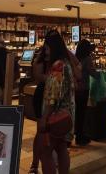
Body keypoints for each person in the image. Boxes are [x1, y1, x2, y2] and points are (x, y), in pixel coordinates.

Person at [35, 30, 74, 174]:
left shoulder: (57, 66)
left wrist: (45, 117)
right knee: (62, 148)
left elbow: (53, 95)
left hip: (55, 116)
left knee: (46, 152)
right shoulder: (66, 64)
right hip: (66, 115)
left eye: (46, 48)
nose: (45, 52)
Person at [75, 39, 97, 145]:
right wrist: (99, 75)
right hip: (83, 88)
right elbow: (91, 71)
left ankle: (74, 134)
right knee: (81, 113)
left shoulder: (75, 57)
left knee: (76, 112)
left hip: (75, 88)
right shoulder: (87, 59)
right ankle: (80, 136)